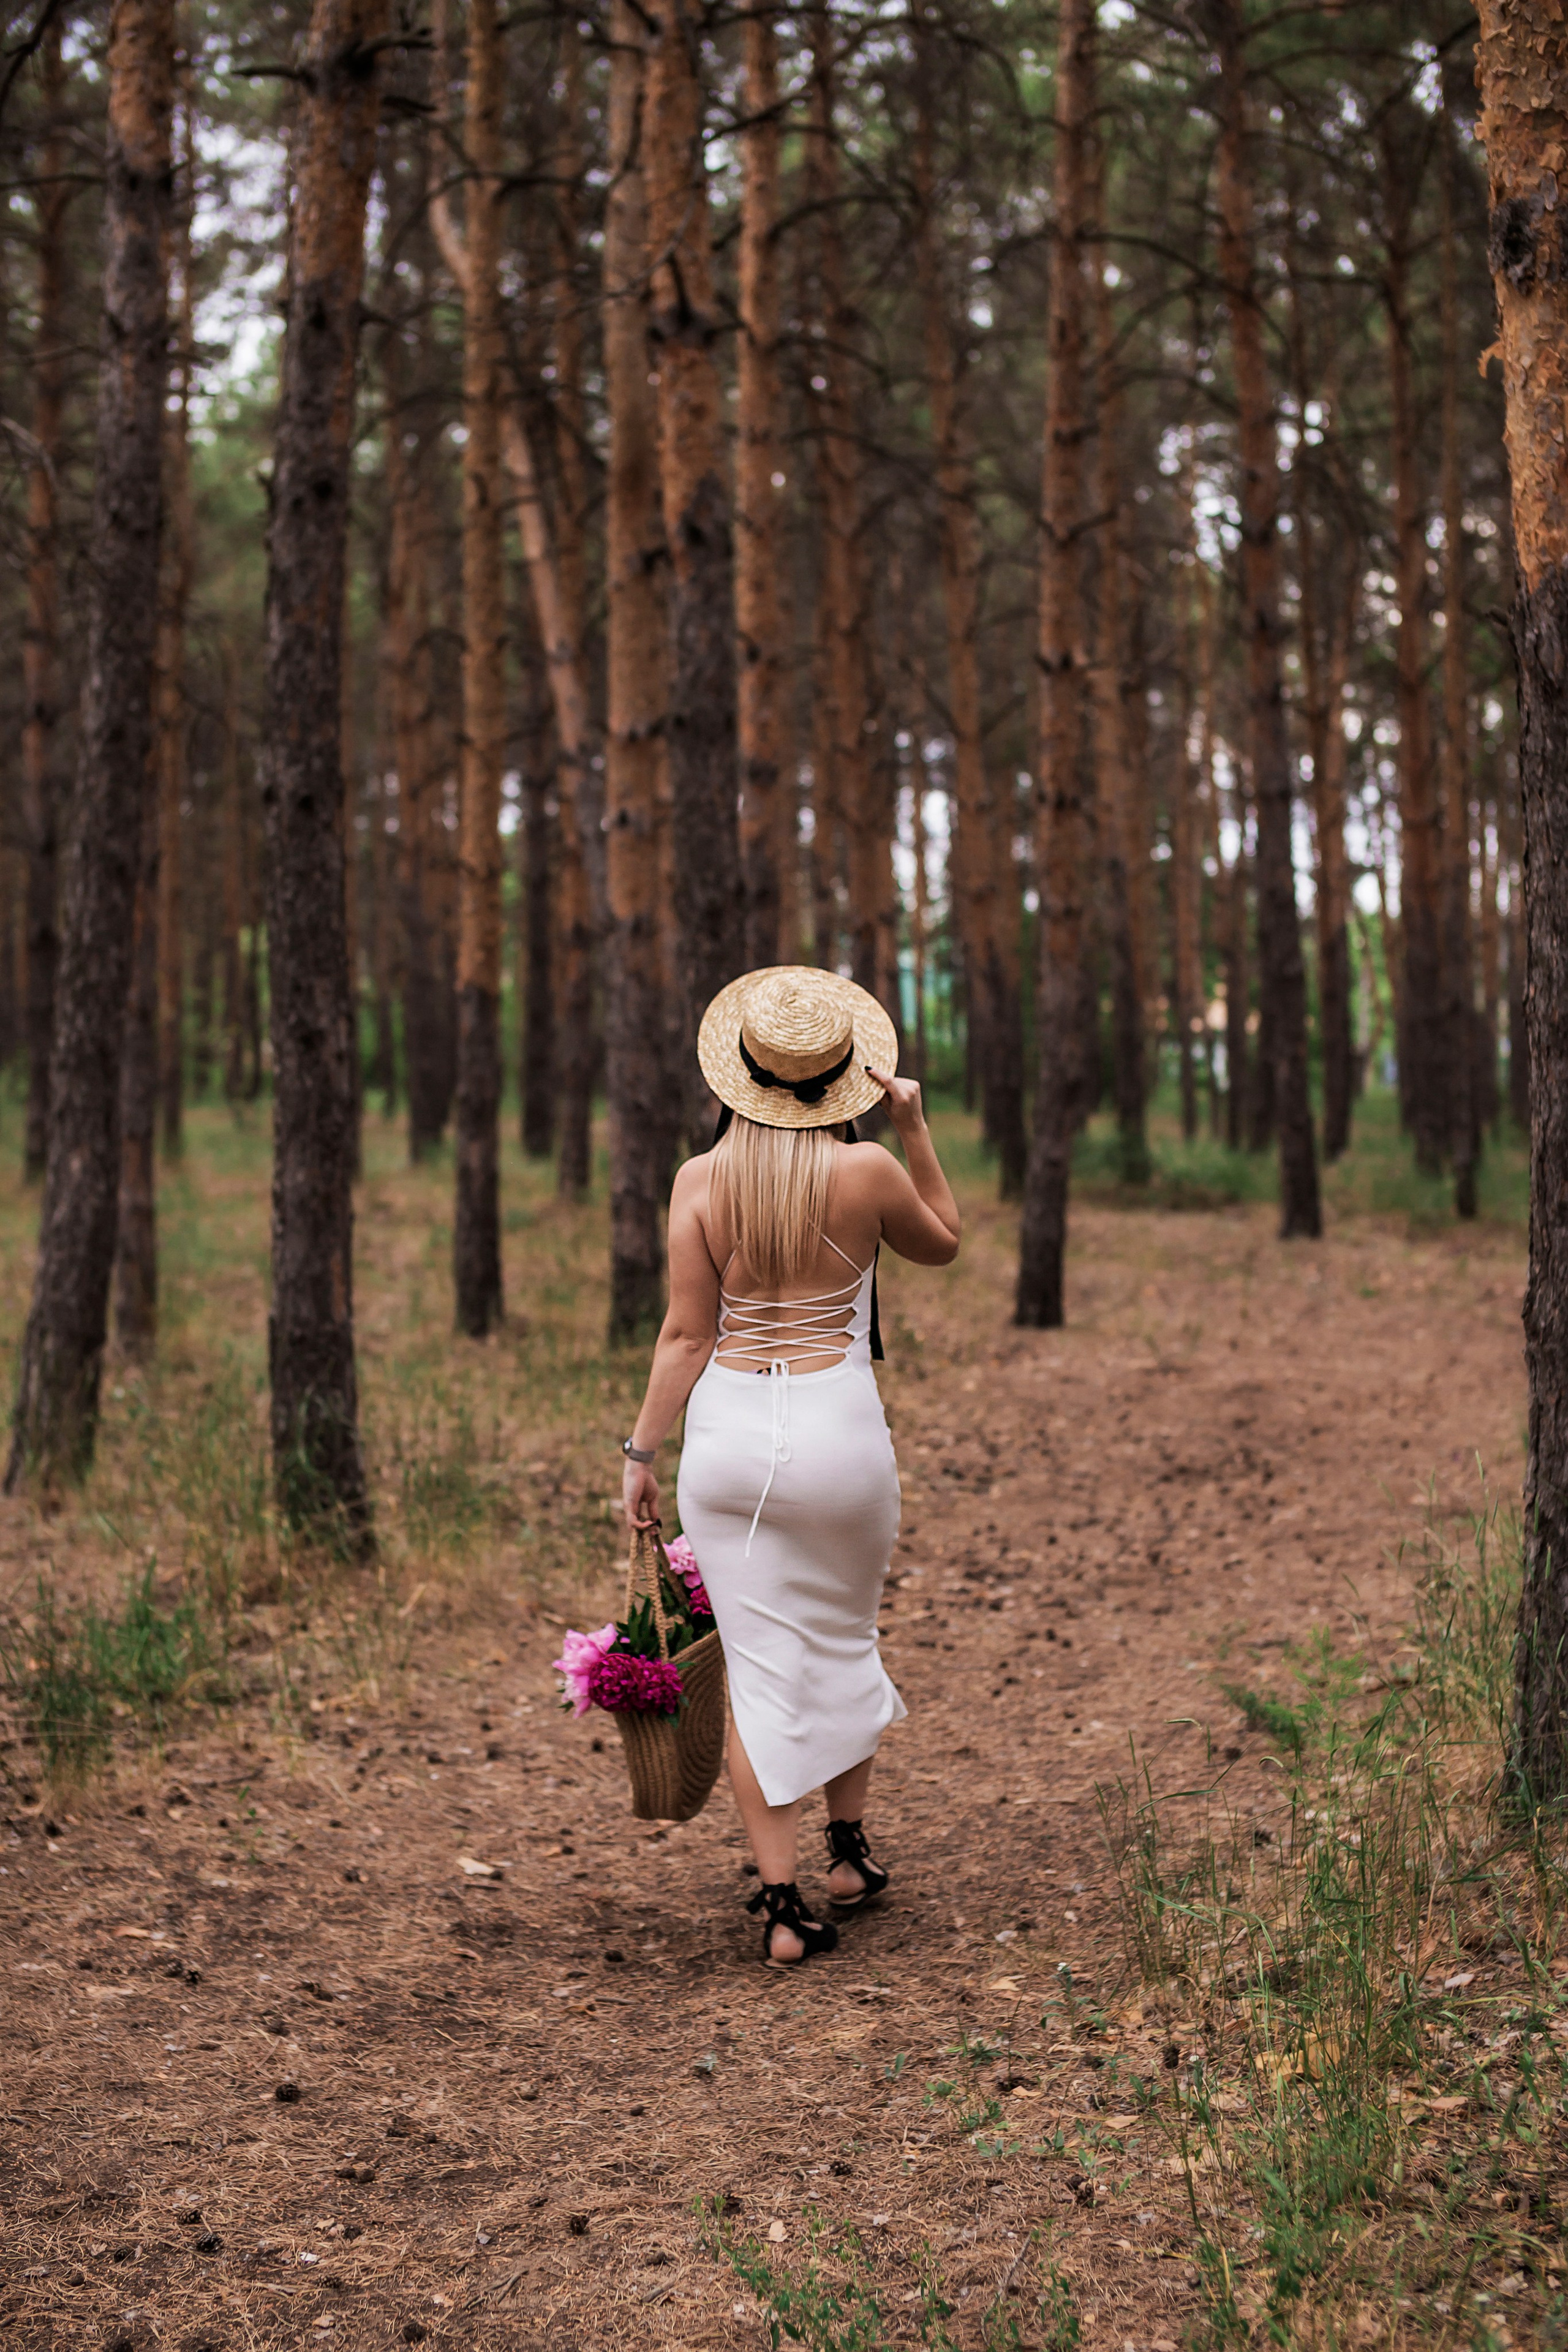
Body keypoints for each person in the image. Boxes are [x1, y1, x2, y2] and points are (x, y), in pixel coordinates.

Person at [619, 967, 961, 1967]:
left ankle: (780, 1906)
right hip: (839, 1438)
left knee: (763, 1670)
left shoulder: (698, 1181)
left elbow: (685, 1335)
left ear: (741, 1076)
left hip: (726, 1447)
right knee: (845, 1640)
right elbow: (944, 1244)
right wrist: (916, 1128)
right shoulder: (866, 1174)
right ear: (845, 1078)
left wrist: (641, 1453)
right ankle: (848, 1854)